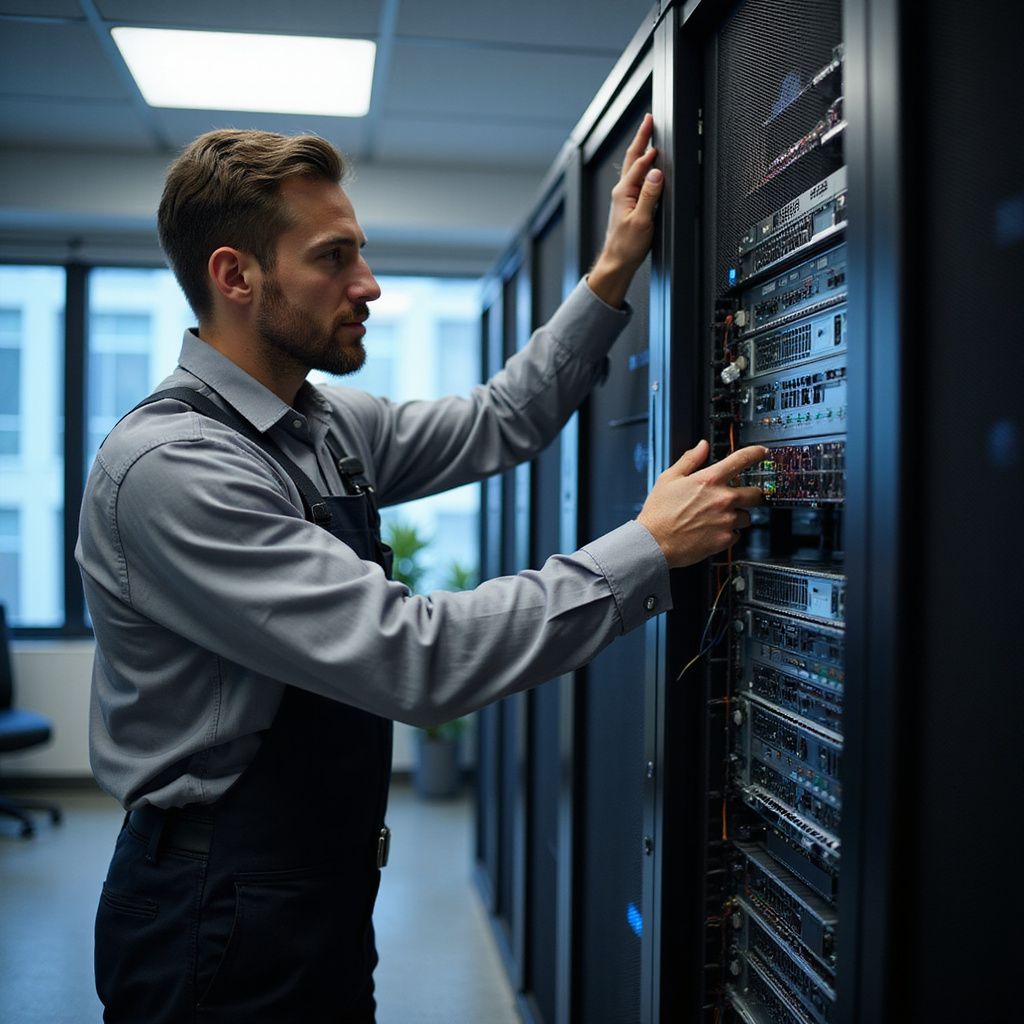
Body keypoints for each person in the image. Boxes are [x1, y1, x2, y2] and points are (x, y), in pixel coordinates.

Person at [76, 115, 766, 1023]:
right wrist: (646, 548)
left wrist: (610, 273)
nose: (368, 284)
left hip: (311, 882)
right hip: (216, 904)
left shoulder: (321, 424)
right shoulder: (175, 468)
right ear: (236, 275)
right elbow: (413, 659)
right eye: (333, 259)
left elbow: (498, 419)